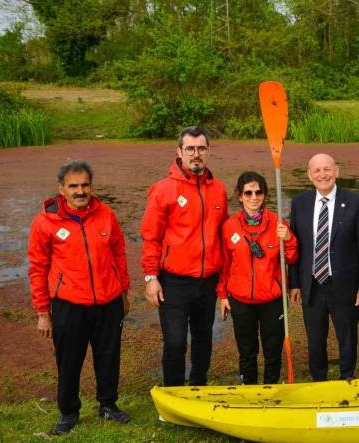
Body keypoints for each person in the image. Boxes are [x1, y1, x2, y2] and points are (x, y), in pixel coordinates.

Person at [28, 160, 131, 435]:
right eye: (73, 186)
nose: (80, 191)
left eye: (85, 185)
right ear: (61, 188)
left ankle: (108, 405)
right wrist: (42, 312)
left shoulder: (106, 214)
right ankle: (69, 412)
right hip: (69, 305)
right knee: (69, 361)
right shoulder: (44, 223)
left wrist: (123, 291)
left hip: (108, 302)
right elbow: (37, 268)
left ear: (92, 186)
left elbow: (119, 253)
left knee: (108, 357)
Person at [141, 126, 228, 386]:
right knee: (176, 341)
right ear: (179, 152)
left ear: (208, 152)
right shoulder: (163, 189)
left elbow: (223, 236)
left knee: (203, 338)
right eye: (190, 149)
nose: (196, 154)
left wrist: (224, 281)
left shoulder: (219, 190)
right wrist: (150, 277)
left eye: (201, 148)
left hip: (207, 281)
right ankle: (174, 392)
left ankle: (198, 386)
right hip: (174, 281)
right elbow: (151, 236)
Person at [288, 153, 359, 381]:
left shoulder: (355, 201)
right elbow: (295, 247)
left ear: (337, 171)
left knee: (347, 338)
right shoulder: (300, 203)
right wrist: (294, 283)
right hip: (312, 285)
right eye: (317, 170)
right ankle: (319, 381)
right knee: (315, 341)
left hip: (344, 285)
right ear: (309, 175)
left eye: (327, 169)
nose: (322, 174)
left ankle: (347, 379)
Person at [217, 171, 298, 384]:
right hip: (241, 300)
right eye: (248, 192)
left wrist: (288, 239)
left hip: (272, 300)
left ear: (265, 195)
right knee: (247, 350)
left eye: (258, 192)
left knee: (272, 350)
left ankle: (271, 387)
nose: (254, 197)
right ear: (240, 195)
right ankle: (249, 387)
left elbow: (291, 258)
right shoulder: (229, 226)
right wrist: (223, 295)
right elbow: (225, 265)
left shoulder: (277, 223)